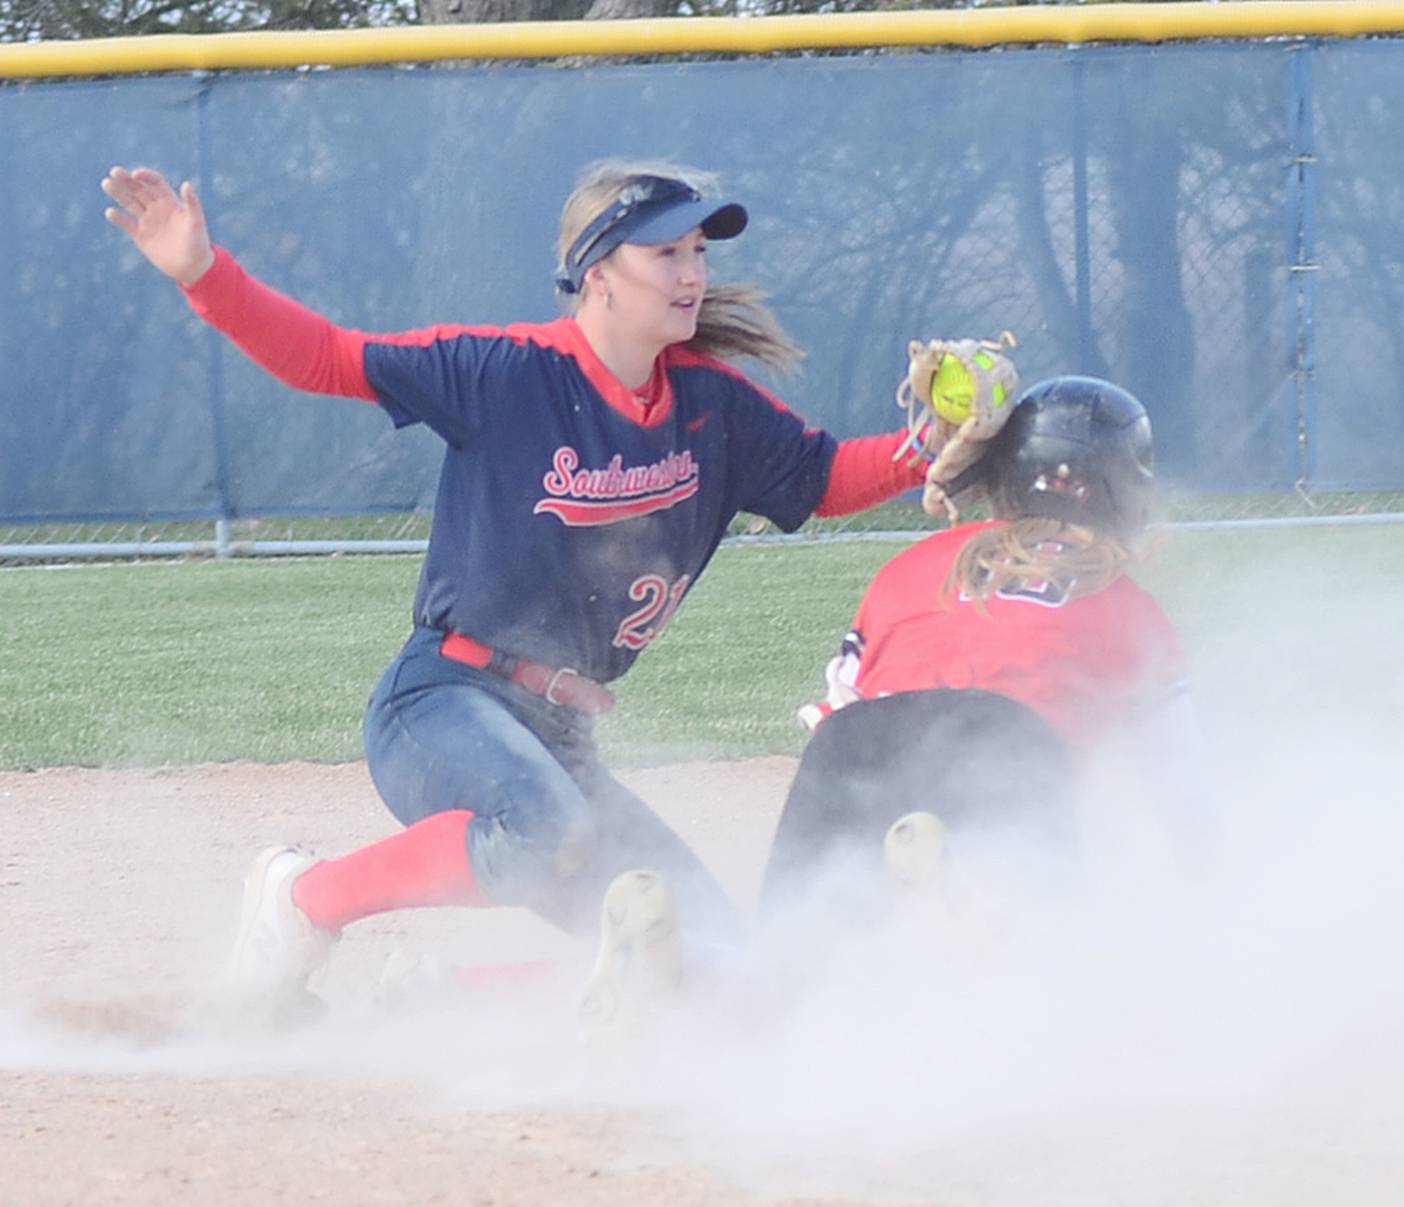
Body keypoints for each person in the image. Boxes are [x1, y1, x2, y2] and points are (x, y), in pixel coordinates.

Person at [101, 160, 1013, 1024]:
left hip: (561, 740)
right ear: (598, 274)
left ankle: (449, 997)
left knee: (724, 962)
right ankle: (302, 898)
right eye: (667, 251)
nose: (693, 272)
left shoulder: (711, 405)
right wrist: (205, 274)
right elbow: (329, 358)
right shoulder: (507, 374)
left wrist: (927, 444)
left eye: (700, 251)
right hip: (445, 701)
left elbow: (824, 478)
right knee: (544, 830)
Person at [758, 374, 1206, 922]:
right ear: (1124, 491)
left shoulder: (908, 567)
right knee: (1034, 979)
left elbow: (835, 709)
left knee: (792, 964)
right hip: (1006, 752)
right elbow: (1179, 794)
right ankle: (957, 912)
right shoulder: (1125, 603)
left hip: (853, 746)